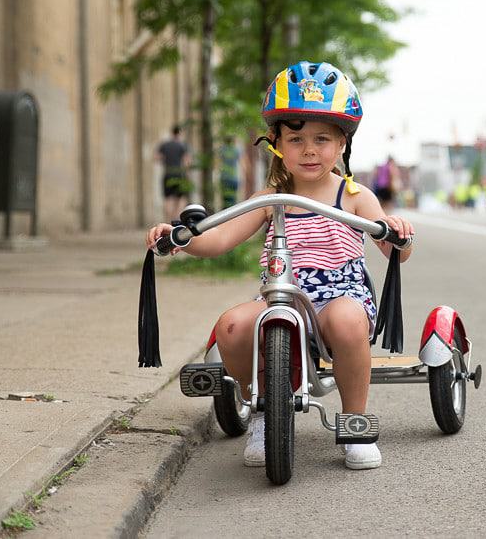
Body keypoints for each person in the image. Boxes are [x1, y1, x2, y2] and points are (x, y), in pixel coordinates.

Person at [145, 61, 413, 471]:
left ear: (342, 143)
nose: (309, 149)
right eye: (296, 138)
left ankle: (355, 421)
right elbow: (219, 237)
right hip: (280, 293)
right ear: (276, 143)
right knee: (231, 327)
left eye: (322, 139)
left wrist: (396, 232)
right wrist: (180, 237)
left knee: (346, 323)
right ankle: (264, 413)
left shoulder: (354, 195)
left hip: (339, 294)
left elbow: (393, 247)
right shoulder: (270, 197)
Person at [155, 125, 191, 223]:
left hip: (168, 174)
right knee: (181, 198)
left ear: (172, 133)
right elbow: (187, 161)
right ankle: (177, 219)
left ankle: (168, 221)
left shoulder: (164, 145)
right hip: (179, 175)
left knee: (168, 199)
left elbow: (157, 158)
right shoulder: (182, 145)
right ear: (179, 133)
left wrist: (166, 160)